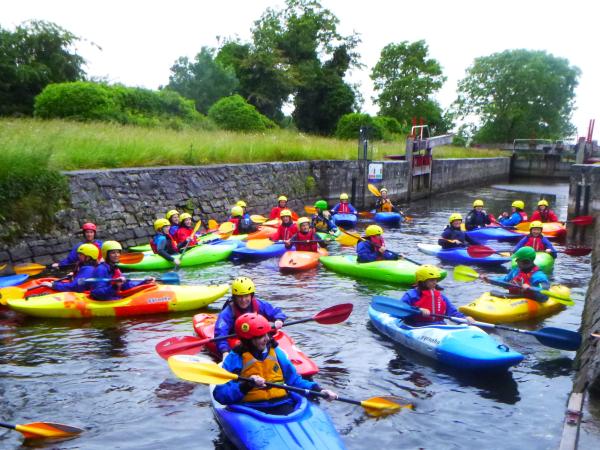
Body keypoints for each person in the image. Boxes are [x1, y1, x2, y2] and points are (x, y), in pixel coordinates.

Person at [213, 313, 338, 414]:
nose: (267, 339)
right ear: (248, 340)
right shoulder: (235, 358)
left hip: (282, 404)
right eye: (260, 336)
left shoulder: (277, 353)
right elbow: (220, 395)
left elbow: (294, 381)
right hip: (250, 409)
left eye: (267, 334)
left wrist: (320, 390)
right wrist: (246, 385)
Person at [214, 277, 287, 359]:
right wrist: (224, 351)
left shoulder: (259, 305)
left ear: (251, 295)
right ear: (235, 297)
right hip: (238, 339)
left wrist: (279, 319)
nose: (243, 300)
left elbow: (277, 312)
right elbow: (220, 334)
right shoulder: (228, 312)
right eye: (239, 296)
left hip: (258, 338)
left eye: (246, 296)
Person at [401, 265, 474, 327]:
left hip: (439, 327)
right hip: (418, 326)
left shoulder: (440, 296)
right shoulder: (411, 295)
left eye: (436, 280)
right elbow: (401, 309)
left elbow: (452, 312)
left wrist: (465, 318)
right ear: (422, 281)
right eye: (431, 280)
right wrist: (418, 310)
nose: (435, 283)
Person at [90, 241, 154, 300]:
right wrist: (115, 287)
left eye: (118, 252)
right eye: (113, 253)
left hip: (114, 297)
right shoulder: (101, 269)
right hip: (104, 301)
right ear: (106, 254)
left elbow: (126, 286)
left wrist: (144, 282)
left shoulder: (115, 268)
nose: (116, 255)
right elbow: (96, 293)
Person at [483, 246, 550, 302]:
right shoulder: (516, 271)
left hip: (531, 299)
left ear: (526, 261)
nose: (516, 262)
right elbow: (505, 280)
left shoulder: (538, 276)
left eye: (518, 260)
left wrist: (530, 288)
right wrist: (490, 280)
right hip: (514, 298)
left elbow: (544, 292)